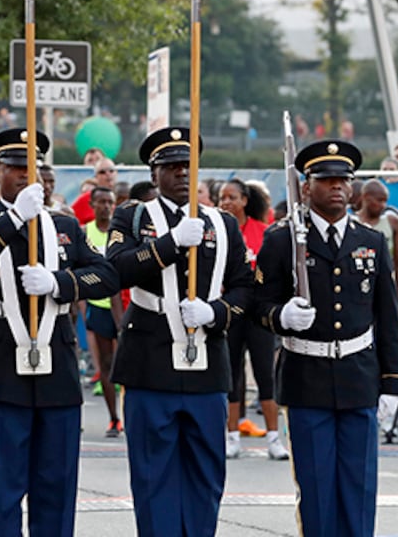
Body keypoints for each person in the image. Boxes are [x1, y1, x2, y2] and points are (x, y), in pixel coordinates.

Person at [0, 128, 118, 537]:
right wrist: (12, 219)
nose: (27, 177)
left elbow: (107, 274)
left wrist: (61, 283)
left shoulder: (64, 225)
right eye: (15, 168)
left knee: (56, 489)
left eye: (34, 169)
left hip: (56, 370)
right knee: (4, 491)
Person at [253, 140, 398, 537]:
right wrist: (281, 316)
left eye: (343, 179)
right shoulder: (283, 240)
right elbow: (258, 305)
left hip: (359, 376)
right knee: (317, 492)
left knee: (359, 489)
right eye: (326, 179)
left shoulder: (370, 241)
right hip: (307, 377)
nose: (337, 186)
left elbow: (386, 316)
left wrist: (392, 383)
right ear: (307, 187)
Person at [107, 128, 255, 534]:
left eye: (187, 165)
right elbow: (116, 268)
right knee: (154, 477)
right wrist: (170, 244)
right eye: (170, 167)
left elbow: (246, 285)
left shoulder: (222, 223)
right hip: (149, 360)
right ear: (154, 175)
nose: (181, 174)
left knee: (205, 476)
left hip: (207, 361)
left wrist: (215, 311)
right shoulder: (133, 215)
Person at [220, 178, 285, 458]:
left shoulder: (264, 231)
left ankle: (274, 438)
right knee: (231, 374)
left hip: (257, 313)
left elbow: (273, 271)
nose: (226, 202)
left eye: (232, 197)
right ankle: (232, 436)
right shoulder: (219, 231)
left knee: (265, 375)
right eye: (222, 197)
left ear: (245, 200)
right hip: (231, 312)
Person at [79, 185, 122, 437]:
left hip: (122, 308)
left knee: (125, 364)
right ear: (92, 205)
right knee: (106, 365)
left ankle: (127, 415)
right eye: (101, 202)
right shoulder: (86, 233)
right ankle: (113, 418)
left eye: (110, 202)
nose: (106, 206)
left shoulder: (119, 234)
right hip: (99, 306)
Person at [353, 179, 398, 293]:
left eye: (385, 201)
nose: (383, 205)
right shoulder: (352, 222)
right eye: (379, 200)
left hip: (386, 283)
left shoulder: (392, 221)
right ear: (366, 197)